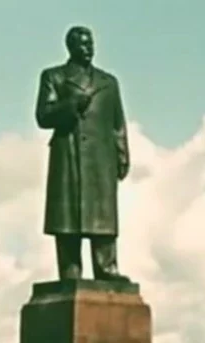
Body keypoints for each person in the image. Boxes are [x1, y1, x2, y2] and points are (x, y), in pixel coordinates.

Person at [35, 26, 132, 282]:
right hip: (68, 154)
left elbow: (118, 124)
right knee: (67, 217)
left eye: (91, 44)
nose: (89, 49)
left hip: (101, 159)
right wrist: (70, 105)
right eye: (83, 45)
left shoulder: (108, 82)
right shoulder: (54, 76)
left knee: (103, 213)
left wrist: (122, 155)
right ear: (71, 47)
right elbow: (43, 115)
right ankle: (70, 271)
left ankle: (106, 268)